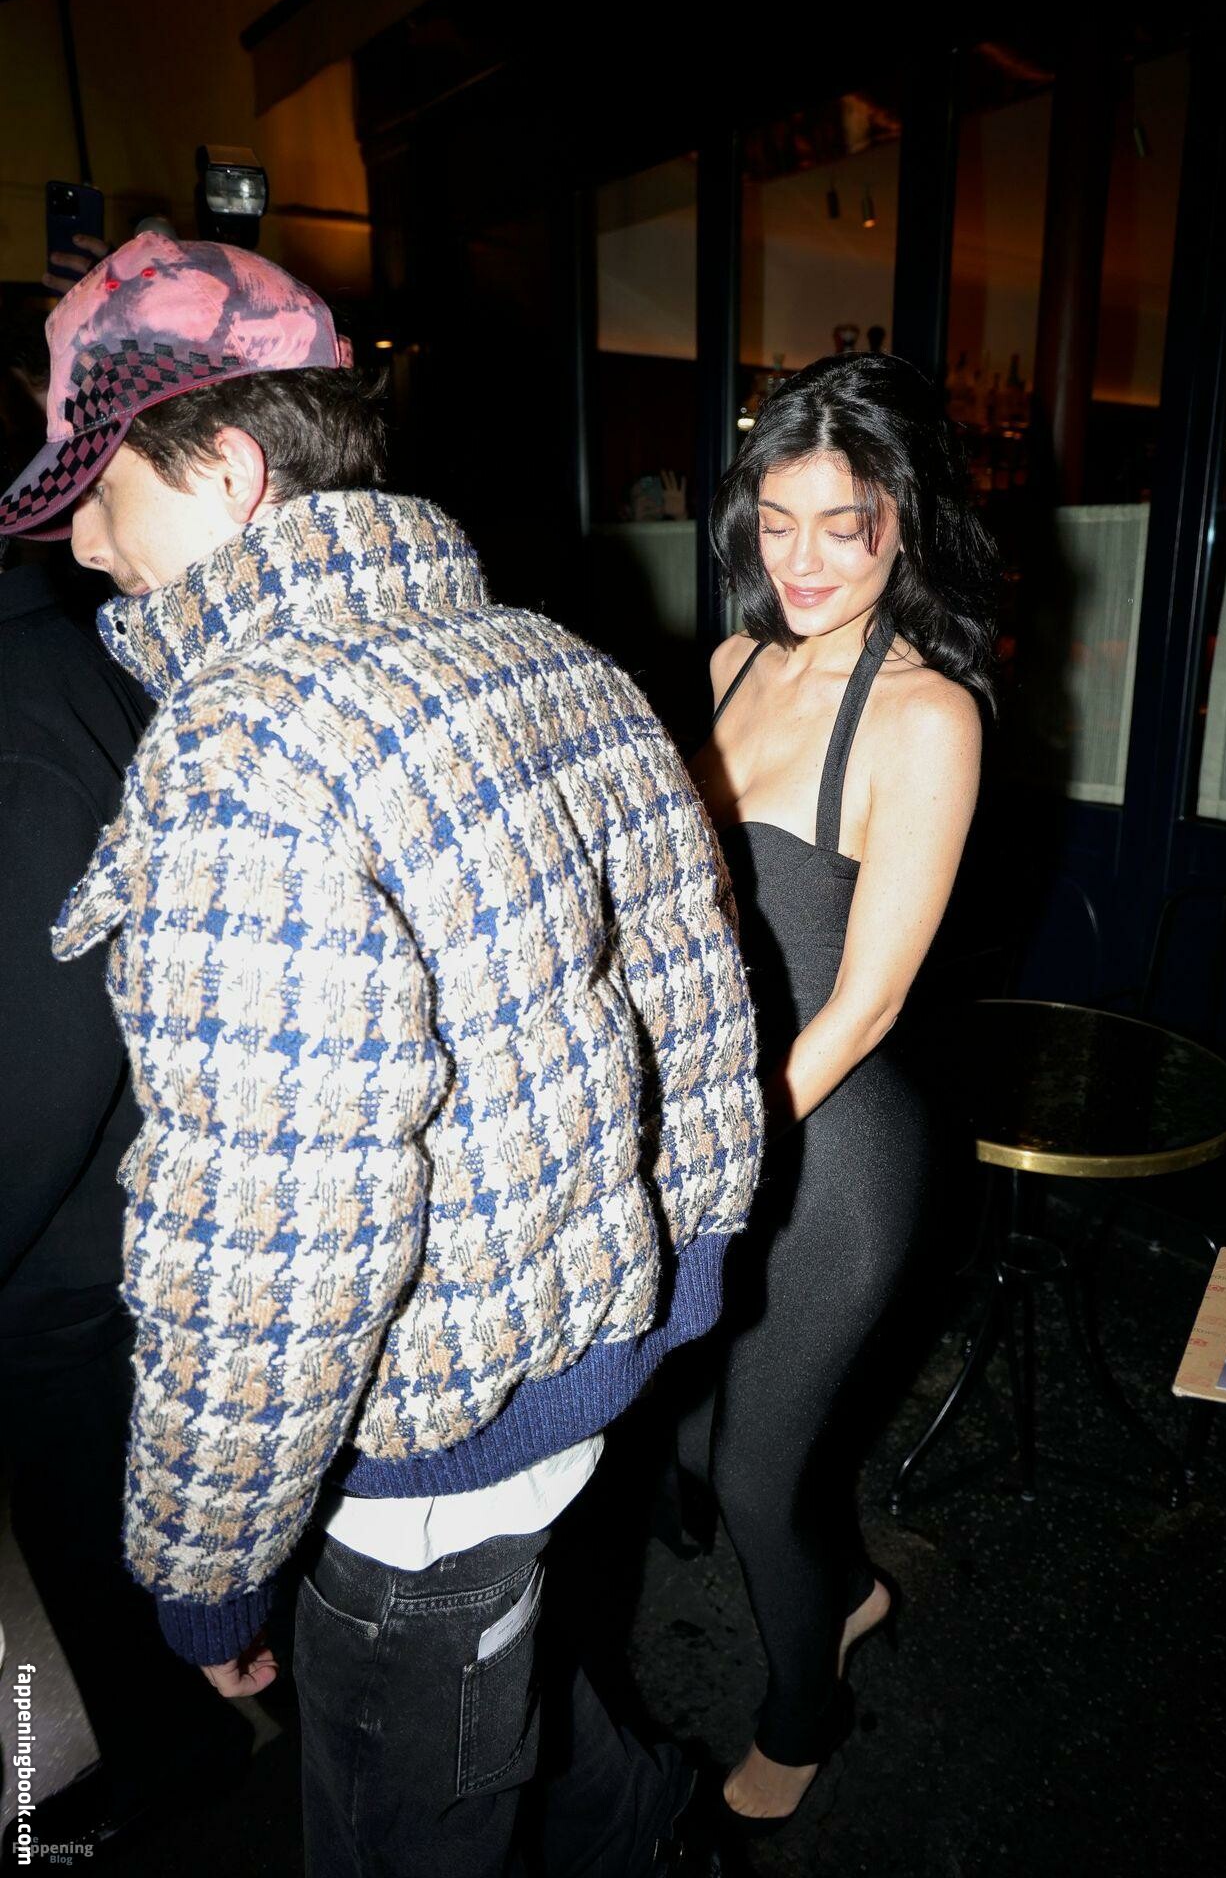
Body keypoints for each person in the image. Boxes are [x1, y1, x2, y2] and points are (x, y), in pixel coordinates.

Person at [0, 231, 762, 1878]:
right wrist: (681, 1269)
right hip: (582, 1355)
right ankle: (669, 1845)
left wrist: (208, 1565)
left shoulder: (244, 754)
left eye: (99, 488)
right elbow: (701, 996)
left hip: (425, 1440)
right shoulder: (553, 652)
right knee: (520, 1686)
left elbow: (282, 1232)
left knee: (410, 1818)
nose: (81, 539)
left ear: (227, 473)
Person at [692, 351, 996, 1828]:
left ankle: (804, 1717)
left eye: (842, 525)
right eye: (775, 521)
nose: (800, 561)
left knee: (757, 1479)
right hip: (716, 1118)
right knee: (689, 1434)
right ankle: (848, 1589)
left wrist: (717, 1145)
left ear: (905, 522)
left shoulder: (929, 718)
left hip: (834, 1152)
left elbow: (868, 1001)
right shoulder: (732, 665)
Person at [0, 310, 251, 1863]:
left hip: (74, 1256)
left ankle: (177, 1761)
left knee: (107, 1558)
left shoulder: (29, 709)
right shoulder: (104, 651)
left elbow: (44, 1066)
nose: (91, 542)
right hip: (131, 1219)